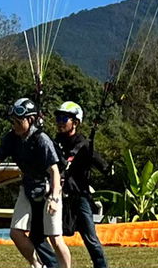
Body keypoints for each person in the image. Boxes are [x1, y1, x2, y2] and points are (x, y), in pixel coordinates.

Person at [0, 98, 74, 268]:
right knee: (16, 233)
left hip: (49, 189)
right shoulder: (11, 138)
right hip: (28, 187)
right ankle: (38, 266)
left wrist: (54, 198)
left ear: (30, 120)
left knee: (55, 237)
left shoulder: (42, 140)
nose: (14, 125)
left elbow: (54, 171)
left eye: (18, 121)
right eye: (12, 121)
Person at [53, 102, 108, 268]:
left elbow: (103, 166)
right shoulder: (56, 142)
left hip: (80, 197)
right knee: (51, 235)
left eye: (64, 118)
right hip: (59, 196)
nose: (60, 122)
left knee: (90, 239)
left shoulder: (84, 144)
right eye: (58, 118)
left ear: (75, 122)